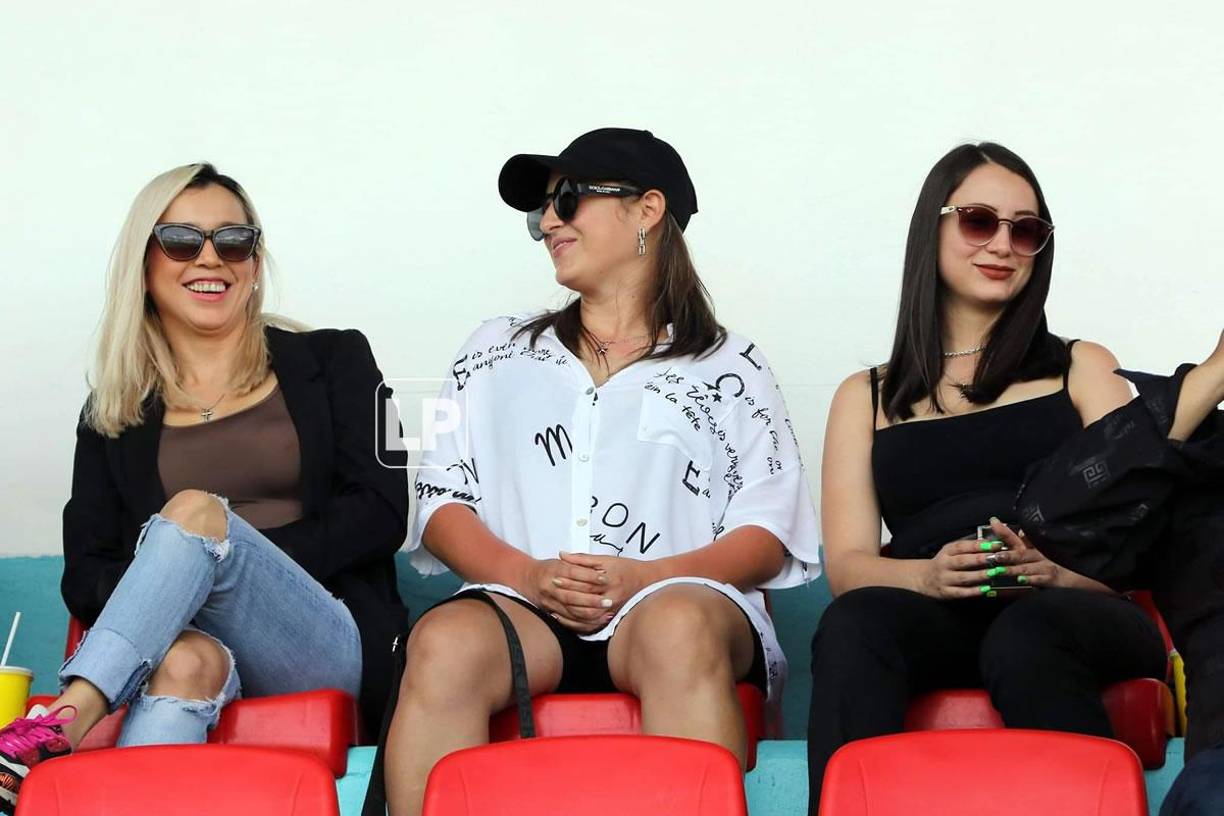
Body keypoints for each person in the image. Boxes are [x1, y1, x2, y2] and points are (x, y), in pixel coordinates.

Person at [377, 128, 820, 816]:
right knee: (444, 644)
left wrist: (644, 578)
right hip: (521, 609)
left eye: (570, 199)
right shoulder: (493, 349)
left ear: (647, 210)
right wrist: (528, 577)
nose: (550, 220)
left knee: (678, 629)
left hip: (672, 601)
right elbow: (440, 502)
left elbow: (768, 533)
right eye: (542, 211)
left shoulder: (734, 365)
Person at [0, 163, 407, 815]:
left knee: (195, 515)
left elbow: (382, 513)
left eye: (233, 240)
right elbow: (85, 570)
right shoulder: (111, 409)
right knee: (184, 662)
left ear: (254, 258)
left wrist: (225, 558)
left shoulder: (337, 360)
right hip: (186, 641)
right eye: (183, 240)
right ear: (144, 261)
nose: (210, 258)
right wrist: (179, 595)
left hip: (322, 637)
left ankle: (61, 722)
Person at [807, 142, 1167, 812]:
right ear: (933, 228)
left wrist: (1055, 573)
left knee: (1025, 634)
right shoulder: (866, 395)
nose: (1003, 244)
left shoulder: (1082, 368)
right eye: (979, 221)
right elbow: (850, 566)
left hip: (1074, 606)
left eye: (1025, 230)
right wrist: (925, 576)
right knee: (855, 624)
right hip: (934, 610)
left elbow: (1145, 541)